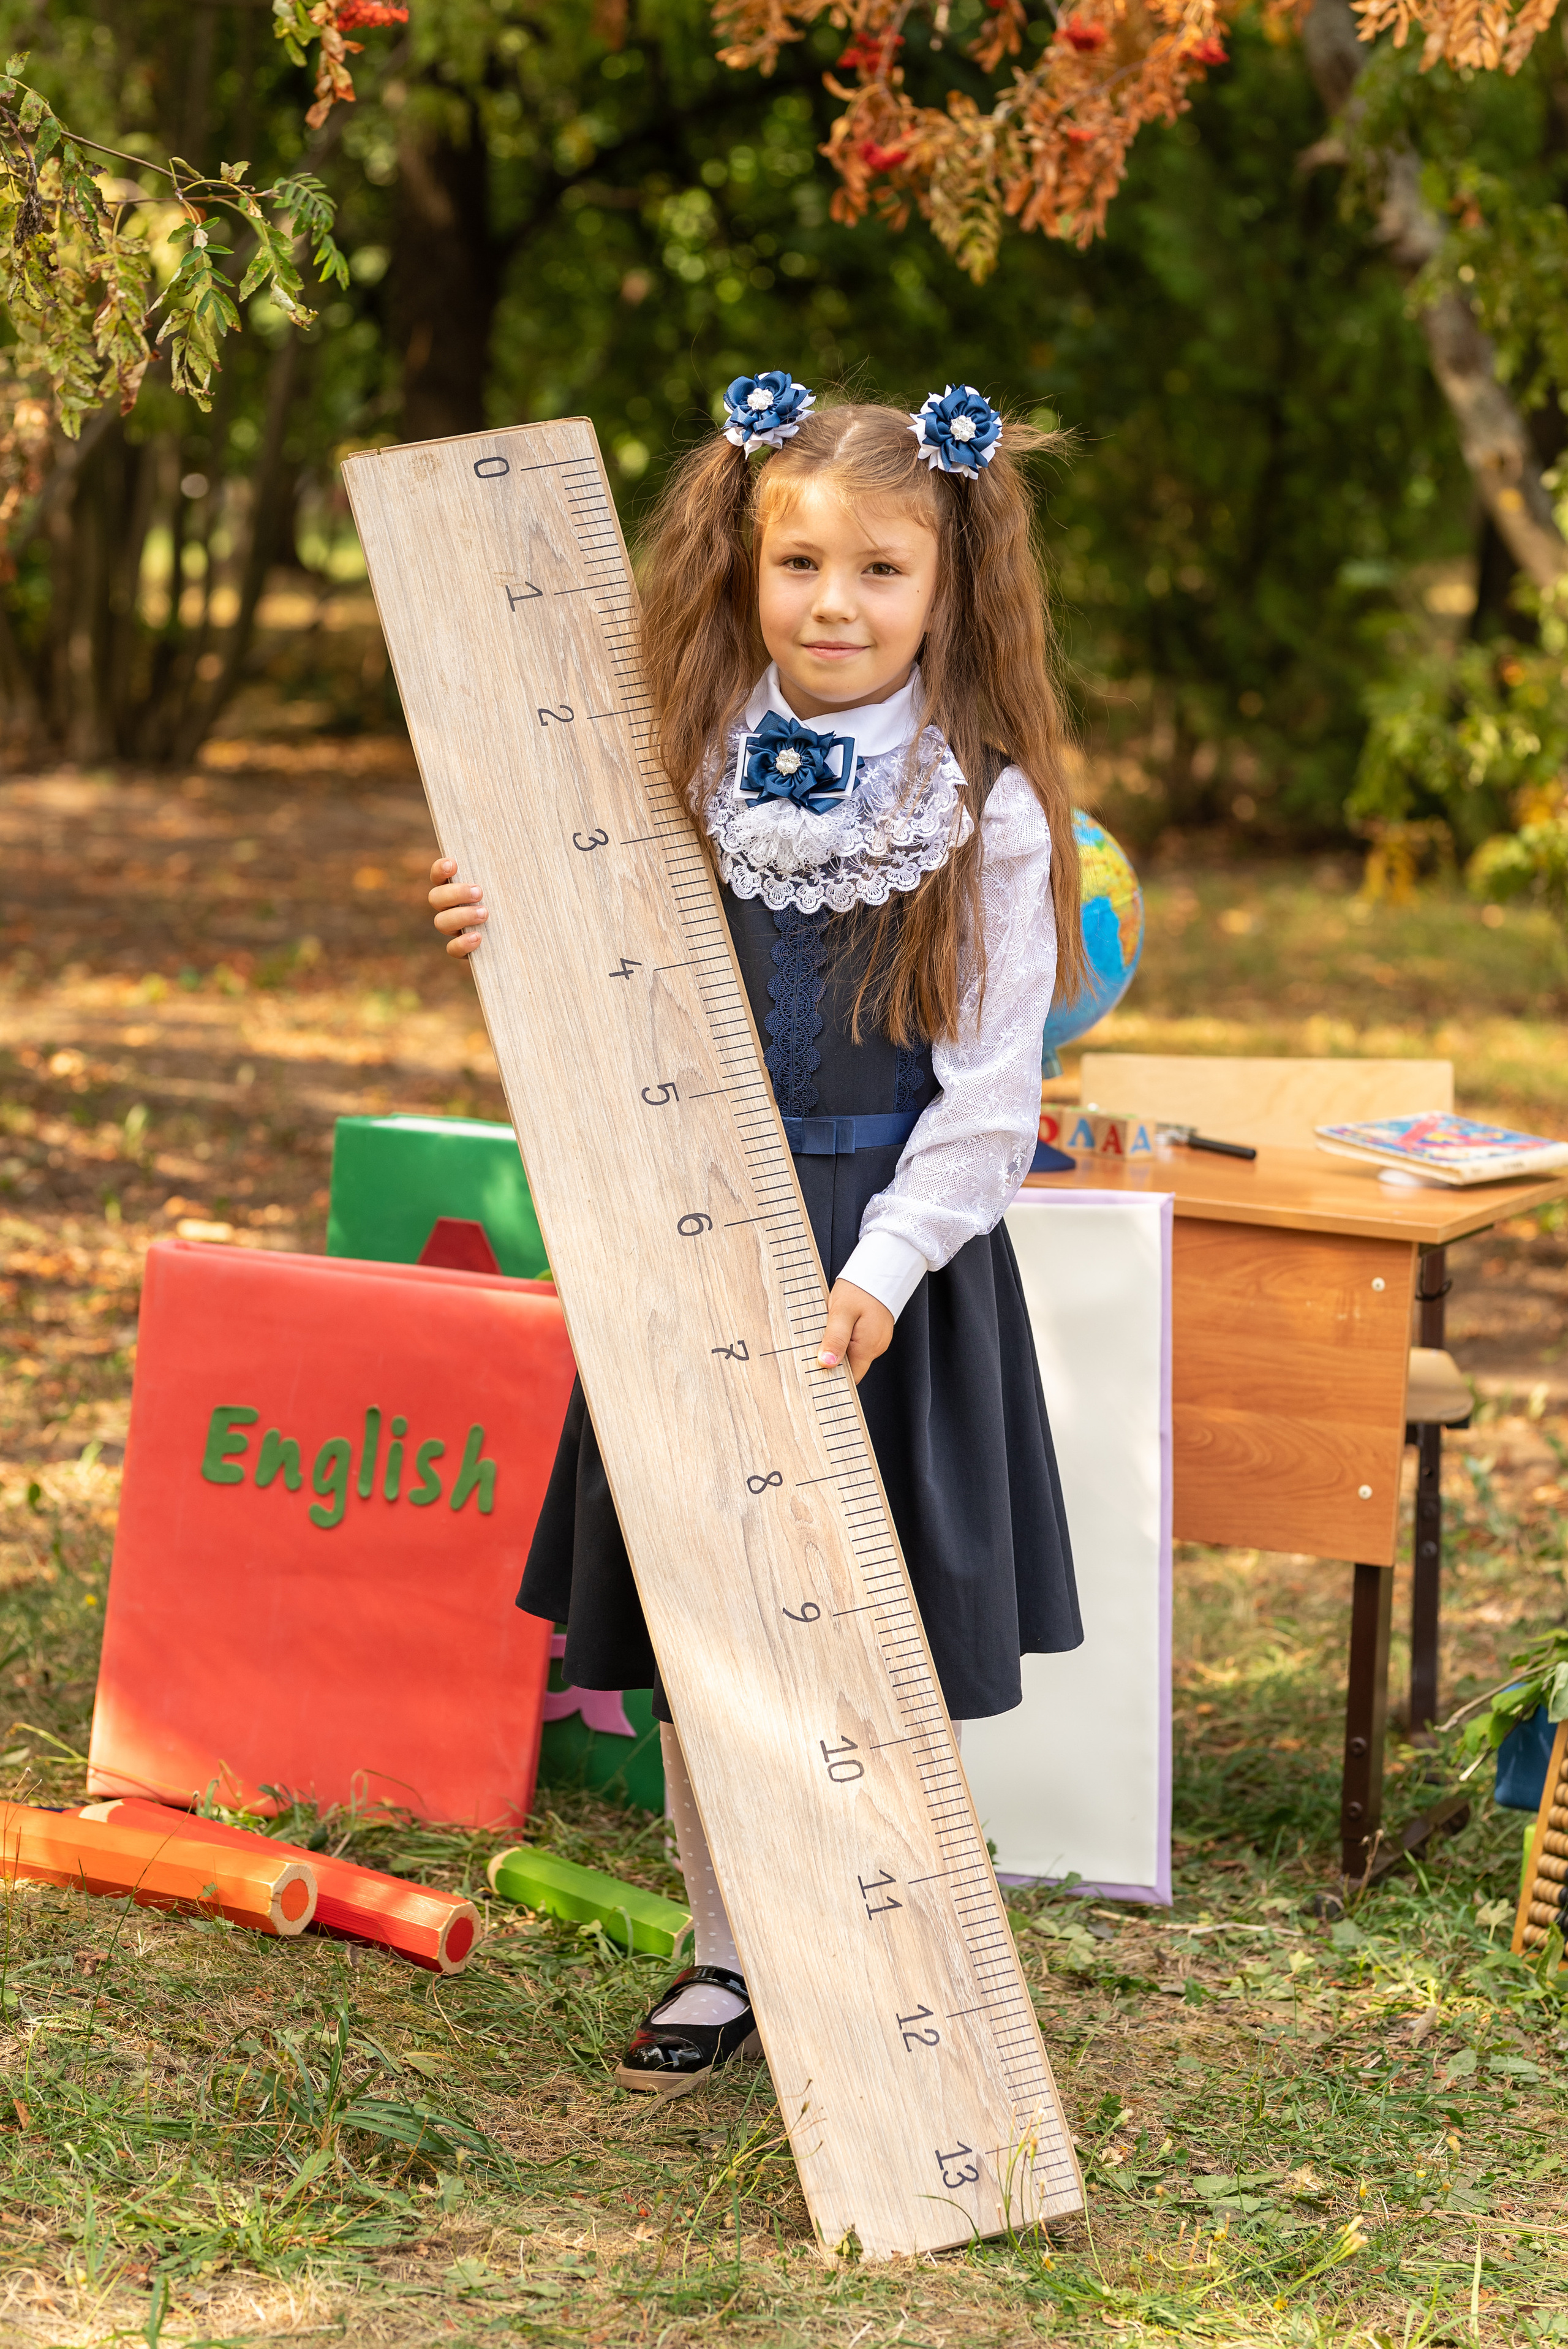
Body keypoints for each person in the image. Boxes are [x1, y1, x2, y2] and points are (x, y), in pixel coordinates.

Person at [428, 374, 1084, 2098]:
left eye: (880, 570)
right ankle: (729, 1950)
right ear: (745, 562)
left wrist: (880, 1273)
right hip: (691, 1234)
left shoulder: (986, 806)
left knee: (878, 1626)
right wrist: (499, 910)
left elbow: (992, 1099)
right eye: (799, 561)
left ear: (949, 585)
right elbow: (597, 969)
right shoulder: (680, 766)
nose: (834, 604)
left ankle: (890, 1936)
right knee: (707, 1615)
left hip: (888, 1267)